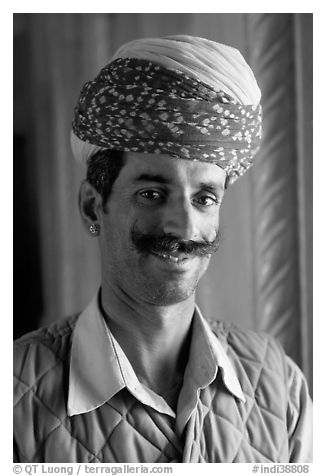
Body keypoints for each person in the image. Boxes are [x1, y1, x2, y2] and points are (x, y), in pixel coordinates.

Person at [13, 35, 312, 463]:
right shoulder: (16, 392)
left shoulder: (277, 380)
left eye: (204, 198)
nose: (184, 225)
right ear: (92, 206)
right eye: (153, 193)